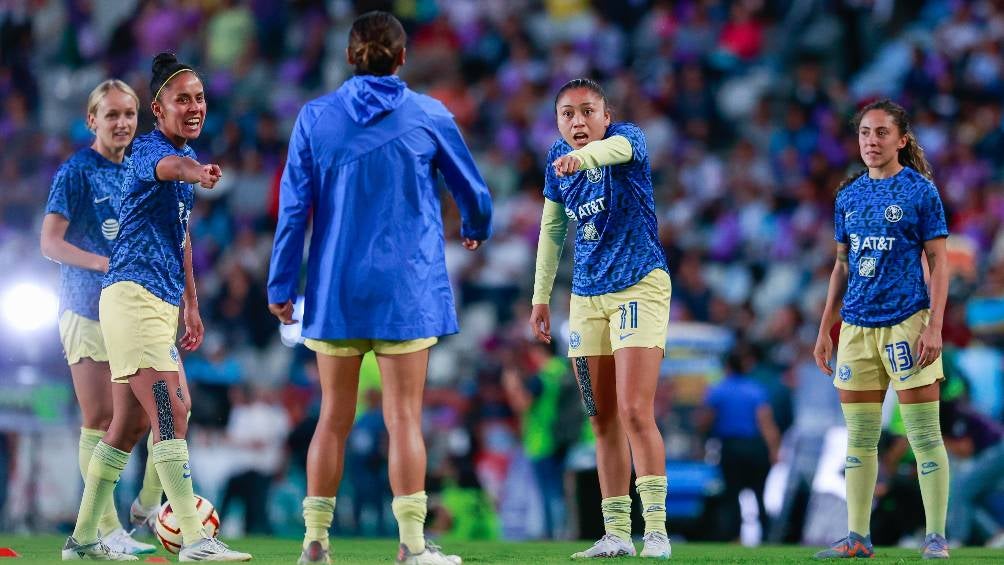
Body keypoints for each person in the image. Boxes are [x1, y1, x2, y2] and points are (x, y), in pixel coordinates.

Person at [266, 11, 492, 565]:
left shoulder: (314, 118)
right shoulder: (429, 114)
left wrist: (281, 283)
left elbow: (294, 210)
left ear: (350, 56)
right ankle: (412, 546)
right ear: (403, 57)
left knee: (333, 418)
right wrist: (476, 228)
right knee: (403, 420)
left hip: (336, 289)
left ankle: (315, 542)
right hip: (405, 291)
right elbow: (475, 195)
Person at [61, 52, 251, 561]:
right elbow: (176, 167)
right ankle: (193, 538)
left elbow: (181, 239)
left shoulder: (179, 160)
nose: (194, 106)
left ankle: (82, 539)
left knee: (130, 426)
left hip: (159, 303)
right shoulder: (150, 152)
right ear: (159, 109)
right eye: (181, 99)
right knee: (173, 412)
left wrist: (191, 304)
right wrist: (198, 171)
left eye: (199, 98)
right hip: (134, 299)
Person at [529, 78, 673, 559]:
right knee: (600, 416)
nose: (578, 121)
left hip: (639, 285)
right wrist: (540, 297)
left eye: (587, 111)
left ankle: (655, 530)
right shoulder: (556, 161)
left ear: (606, 116)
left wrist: (581, 158)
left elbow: (607, 153)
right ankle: (616, 534)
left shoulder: (628, 140)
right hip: (586, 300)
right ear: (557, 122)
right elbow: (551, 231)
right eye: (567, 114)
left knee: (635, 409)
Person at [813, 99, 950, 559]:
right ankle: (857, 537)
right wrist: (824, 329)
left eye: (881, 133)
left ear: (901, 139)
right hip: (855, 327)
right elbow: (840, 267)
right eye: (865, 133)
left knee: (924, 435)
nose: (871, 141)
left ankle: (935, 538)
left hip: (907, 324)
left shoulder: (920, 192)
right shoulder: (847, 195)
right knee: (860, 440)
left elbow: (940, 262)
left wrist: (934, 326)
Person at [41, 79, 157, 557]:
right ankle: (103, 531)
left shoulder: (140, 167)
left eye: (128, 114)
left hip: (131, 311)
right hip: (85, 307)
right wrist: (102, 261)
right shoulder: (77, 172)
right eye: (111, 115)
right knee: (101, 417)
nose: (122, 123)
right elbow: (50, 242)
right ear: (92, 120)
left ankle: (145, 509)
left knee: (155, 411)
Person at [699, 348, 780, 542]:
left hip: (731, 448)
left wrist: (703, 440)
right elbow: (766, 423)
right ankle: (766, 536)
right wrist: (774, 450)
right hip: (755, 447)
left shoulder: (718, 390)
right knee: (759, 493)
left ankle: (734, 535)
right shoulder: (756, 390)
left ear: (726, 367)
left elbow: (705, 421)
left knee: (732, 494)